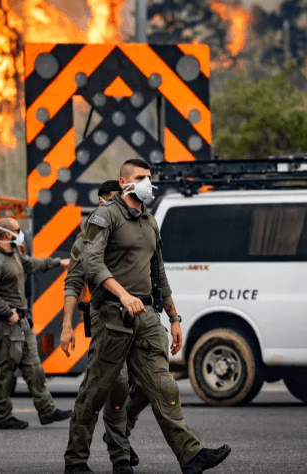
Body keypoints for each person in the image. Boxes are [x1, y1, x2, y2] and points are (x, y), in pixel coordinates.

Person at [64, 159, 231, 474]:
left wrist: (174, 316)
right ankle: (75, 459)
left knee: (164, 385)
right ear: (124, 181)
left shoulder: (150, 222)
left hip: (146, 315)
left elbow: (159, 273)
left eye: (149, 178)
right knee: (98, 388)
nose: (147, 183)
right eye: (141, 177)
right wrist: (122, 294)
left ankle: (191, 456)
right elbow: (92, 264)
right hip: (112, 314)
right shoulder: (105, 216)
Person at [60, 180, 138, 474]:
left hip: (141, 320)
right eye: (111, 202)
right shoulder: (87, 241)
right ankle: (96, 457)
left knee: (144, 385)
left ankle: (120, 444)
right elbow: (73, 282)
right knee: (109, 386)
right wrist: (67, 326)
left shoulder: (137, 231)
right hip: (108, 320)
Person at [0, 216, 72, 430]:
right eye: (17, 230)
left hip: (22, 322)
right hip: (7, 323)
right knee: (5, 371)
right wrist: (6, 311)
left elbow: (33, 264)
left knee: (34, 368)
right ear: (6, 234)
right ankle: (2, 416)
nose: (21, 233)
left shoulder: (15, 255)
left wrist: (59, 262)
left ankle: (47, 410)